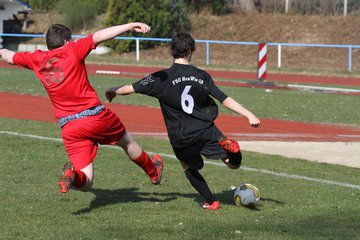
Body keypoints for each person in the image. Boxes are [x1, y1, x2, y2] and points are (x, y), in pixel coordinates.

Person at [0, 22, 163, 193]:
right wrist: (130, 25)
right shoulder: (72, 49)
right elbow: (100, 35)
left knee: (86, 183)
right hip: (95, 116)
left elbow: (9, 57)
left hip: (69, 127)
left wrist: (1, 51)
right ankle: (153, 172)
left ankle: (73, 176)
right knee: (127, 142)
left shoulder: (36, 59)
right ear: (65, 41)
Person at [105, 32, 260, 210]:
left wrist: (113, 89)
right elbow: (223, 98)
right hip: (206, 129)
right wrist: (248, 114)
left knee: (188, 166)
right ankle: (233, 151)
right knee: (232, 165)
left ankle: (212, 202)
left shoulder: (160, 77)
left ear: (172, 51)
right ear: (191, 51)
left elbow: (128, 89)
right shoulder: (202, 76)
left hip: (182, 135)